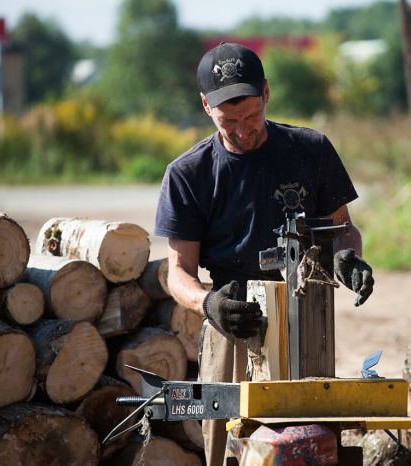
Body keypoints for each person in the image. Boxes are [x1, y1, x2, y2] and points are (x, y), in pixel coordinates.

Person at [154, 42, 375, 466]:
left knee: (310, 441)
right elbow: (177, 270)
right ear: (205, 106)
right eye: (228, 121)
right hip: (231, 325)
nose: (242, 130)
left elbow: (343, 229)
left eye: (251, 116)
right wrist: (208, 302)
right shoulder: (188, 173)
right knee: (228, 450)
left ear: (267, 93)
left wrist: (347, 259)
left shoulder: (311, 150)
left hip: (306, 321)